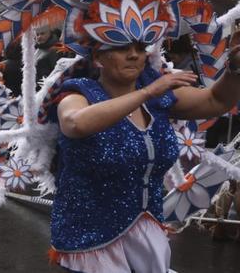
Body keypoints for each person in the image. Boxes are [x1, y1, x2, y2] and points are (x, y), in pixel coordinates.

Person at [50, 41, 240, 272]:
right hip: (89, 239)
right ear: (99, 58)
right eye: (121, 48)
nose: (133, 55)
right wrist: (147, 92)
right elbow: (75, 123)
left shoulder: (157, 94)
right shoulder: (78, 93)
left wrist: (234, 69)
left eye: (140, 49)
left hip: (146, 233)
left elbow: (216, 101)